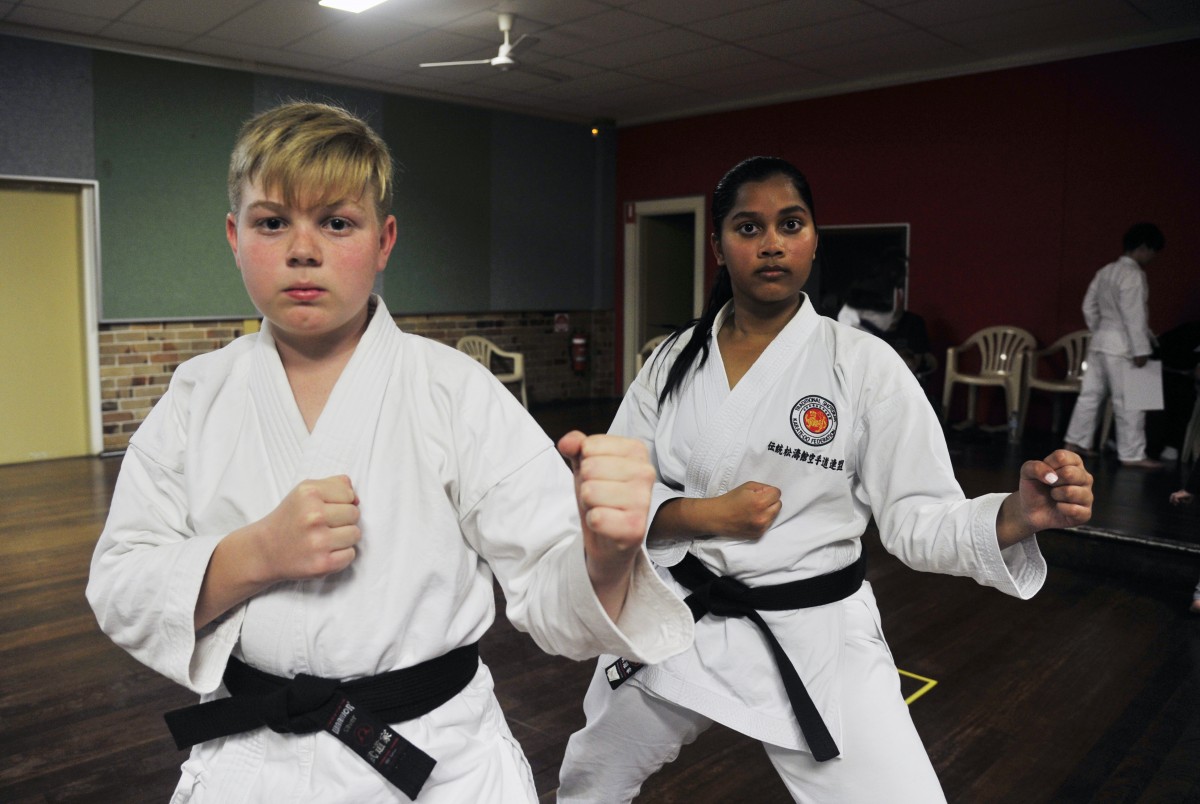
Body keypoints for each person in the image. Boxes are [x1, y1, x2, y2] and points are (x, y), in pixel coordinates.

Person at [85, 101, 695, 803]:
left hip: (440, 760)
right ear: (234, 234)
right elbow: (120, 585)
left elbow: (556, 600)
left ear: (384, 240)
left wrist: (606, 556)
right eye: (272, 221)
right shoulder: (198, 395)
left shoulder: (454, 391)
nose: (302, 249)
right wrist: (252, 554)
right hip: (253, 760)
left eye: (337, 222)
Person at [556, 156, 1094, 803]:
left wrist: (1015, 513)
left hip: (815, 629)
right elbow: (616, 496)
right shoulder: (673, 360)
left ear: (814, 238)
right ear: (719, 246)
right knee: (590, 778)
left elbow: (918, 516)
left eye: (791, 223)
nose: (772, 243)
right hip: (678, 615)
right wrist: (705, 516)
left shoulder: (863, 366)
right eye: (748, 228)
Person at [1063, 222, 1166, 468]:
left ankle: (1075, 442)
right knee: (1131, 401)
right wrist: (1141, 349)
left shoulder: (1106, 270)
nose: (1152, 257)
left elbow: (1089, 306)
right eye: (1152, 252)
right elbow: (1134, 315)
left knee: (1090, 396)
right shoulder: (1133, 275)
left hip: (1100, 341)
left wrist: (1099, 329)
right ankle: (1132, 454)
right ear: (1143, 248)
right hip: (1123, 346)